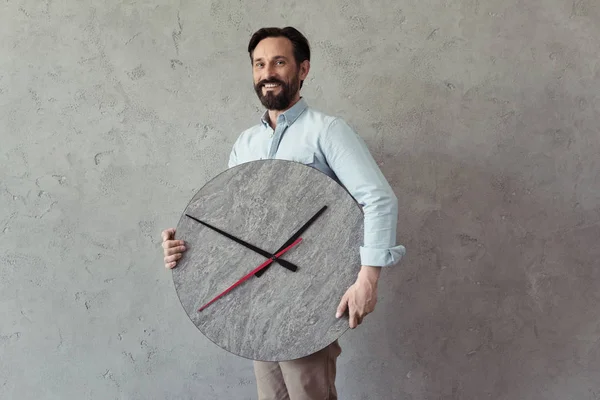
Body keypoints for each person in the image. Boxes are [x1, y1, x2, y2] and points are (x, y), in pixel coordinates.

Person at [161, 26, 406, 400]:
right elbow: (232, 224)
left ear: (303, 69)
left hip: (311, 295)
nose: (267, 73)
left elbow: (379, 201)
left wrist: (367, 279)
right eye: (259, 64)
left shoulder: (328, 132)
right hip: (258, 301)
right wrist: (187, 248)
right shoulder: (247, 143)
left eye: (279, 61)